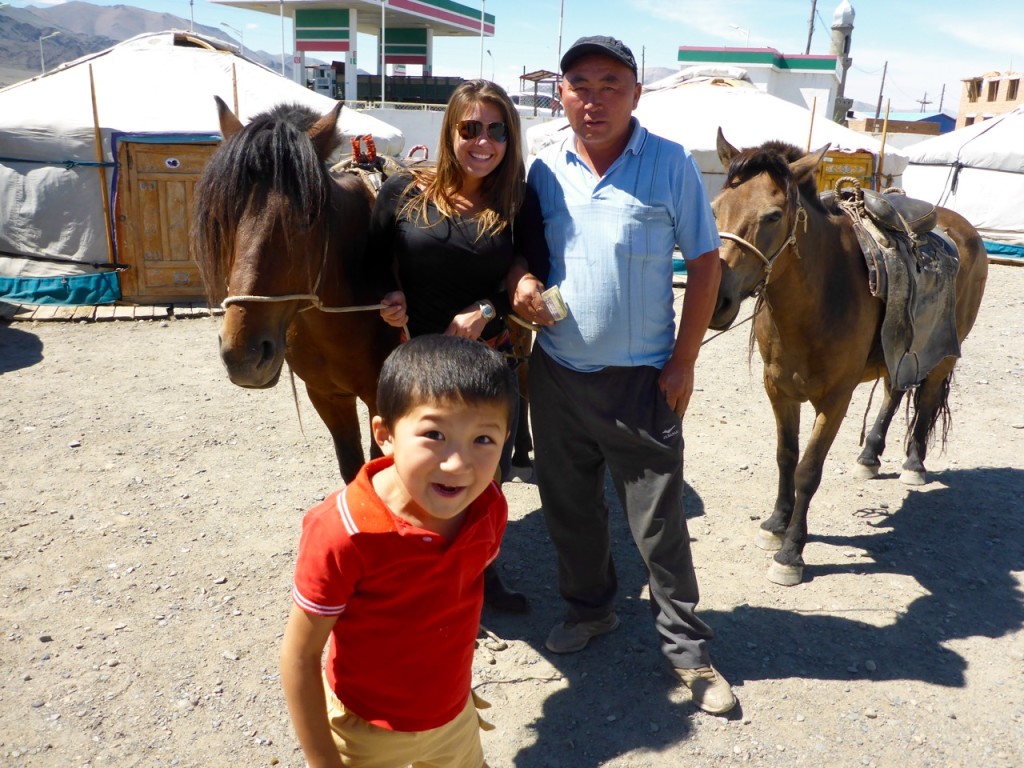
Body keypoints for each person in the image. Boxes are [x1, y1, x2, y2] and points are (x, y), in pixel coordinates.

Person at [510, 36, 736, 715]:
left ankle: (688, 650)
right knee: (570, 509)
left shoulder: (669, 165)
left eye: (612, 83)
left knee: (659, 524)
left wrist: (685, 359)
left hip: (642, 381)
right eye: (580, 83)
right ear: (561, 95)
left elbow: (705, 264)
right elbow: (524, 252)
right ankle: (590, 610)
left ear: (637, 93)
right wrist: (522, 282)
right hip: (556, 375)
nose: (595, 97)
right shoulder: (544, 168)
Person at [280, 334, 517, 768]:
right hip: (364, 731)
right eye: (434, 434)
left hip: (452, 718)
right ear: (385, 435)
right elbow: (299, 654)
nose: (458, 464)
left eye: (484, 439)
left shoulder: (489, 507)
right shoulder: (343, 531)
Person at [365, 78, 548, 612]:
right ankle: (409, 579)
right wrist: (388, 294)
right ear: (451, 132)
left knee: (477, 477)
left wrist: (487, 309)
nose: (483, 141)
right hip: (414, 357)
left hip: (481, 362)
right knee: (415, 470)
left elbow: (532, 273)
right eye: (471, 128)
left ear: (510, 140)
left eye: (496, 131)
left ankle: (483, 577)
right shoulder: (403, 190)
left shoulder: (518, 200)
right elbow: (372, 261)